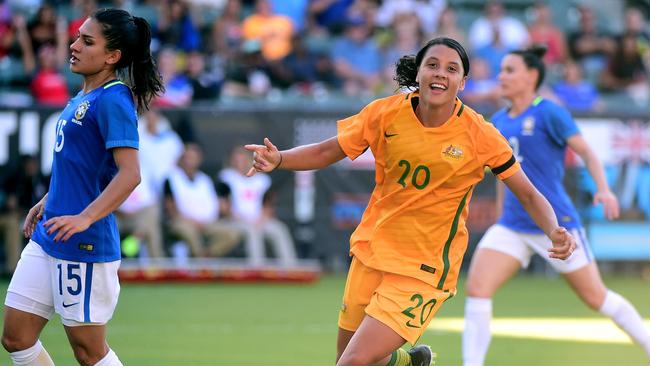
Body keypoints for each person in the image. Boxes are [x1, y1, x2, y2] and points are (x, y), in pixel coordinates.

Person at [245, 37, 575, 366]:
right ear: (418, 72)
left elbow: (528, 193)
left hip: (424, 269)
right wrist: (280, 160)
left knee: (353, 362)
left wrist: (554, 229)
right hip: (371, 252)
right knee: (349, 360)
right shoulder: (384, 113)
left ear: (463, 82)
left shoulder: (480, 134)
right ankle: (407, 362)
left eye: (451, 69)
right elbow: (326, 150)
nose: (440, 74)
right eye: (432, 65)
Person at [461, 46, 650, 366]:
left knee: (597, 298)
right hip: (512, 225)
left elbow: (588, 153)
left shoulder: (548, 111)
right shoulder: (497, 121)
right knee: (477, 289)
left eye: (510, 70)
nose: (501, 76)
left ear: (532, 75)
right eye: (501, 70)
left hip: (557, 226)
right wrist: (498, 213)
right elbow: (503, 176)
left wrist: (604, 189)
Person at [2, 8, 163, 366]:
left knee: (88, 352)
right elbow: (83, 167)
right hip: (50, 233)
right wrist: (48, 199)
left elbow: (129, 174)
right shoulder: (83, 96)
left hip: (83, 243)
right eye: (76, 37)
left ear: (112, 56)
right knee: (16, 337)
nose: (74, 46)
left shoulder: (114, 99)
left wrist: (85, 218)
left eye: (87, 41)